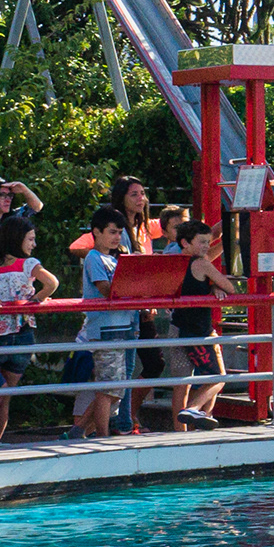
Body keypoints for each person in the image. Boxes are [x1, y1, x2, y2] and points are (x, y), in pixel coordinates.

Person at [71, 206, 135, 440]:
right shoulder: (94, 258)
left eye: (119, 233)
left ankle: (80, 431)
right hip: (105, 329)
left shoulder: (113, 258)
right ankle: (102, 434)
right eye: (112, 232)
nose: (117, 237)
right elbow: (106, 289)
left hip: (121, 327)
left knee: (115, 389)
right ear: (96, 232)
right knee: (109, 388)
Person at [166, 220, 237, 430]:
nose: (207, 246)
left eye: (209, 241)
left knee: (182, 383)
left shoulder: (175, 260)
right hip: (199, 330)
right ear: (186, 243)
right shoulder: (202, 264)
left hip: (178, 327)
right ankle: (194, 409)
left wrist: (211, 284)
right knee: (218, 378)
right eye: (203, 242)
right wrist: (215, 283)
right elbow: (230, 287)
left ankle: (181, 432)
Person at [0, 215, 57, 399]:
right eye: (30, 239)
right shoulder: (28, 264)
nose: (34, 244)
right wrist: (35, 301)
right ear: (17, 238)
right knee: (6, 396)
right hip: (23, 331)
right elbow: (52, 283)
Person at [107, 176, 161, 433]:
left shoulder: (140, 227)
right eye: (134, 194)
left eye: (142, 193)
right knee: (123, 369)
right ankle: (123, 421)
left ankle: (125, 419)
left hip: (136, 304)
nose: (141, 198)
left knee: (129, 368)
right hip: (125, 306)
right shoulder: (118, 228)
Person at [0, 176, 44, 262]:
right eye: (2, 195)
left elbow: (37, 207)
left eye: (10, 195)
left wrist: (23, 189)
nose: (8, 200)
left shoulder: (11, 220)